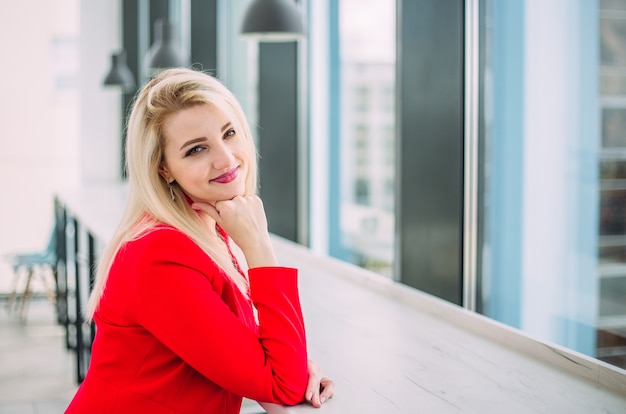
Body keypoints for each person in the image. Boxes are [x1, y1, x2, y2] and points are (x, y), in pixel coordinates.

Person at [66, 68, 334, 413]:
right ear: (164, 169)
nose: (225, 158)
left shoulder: (208, 228)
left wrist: (294, 363)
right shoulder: (160, 254)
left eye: (230, 133)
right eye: (196, 150)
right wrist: (259, 247)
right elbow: (282, 385)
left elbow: (259, 358)